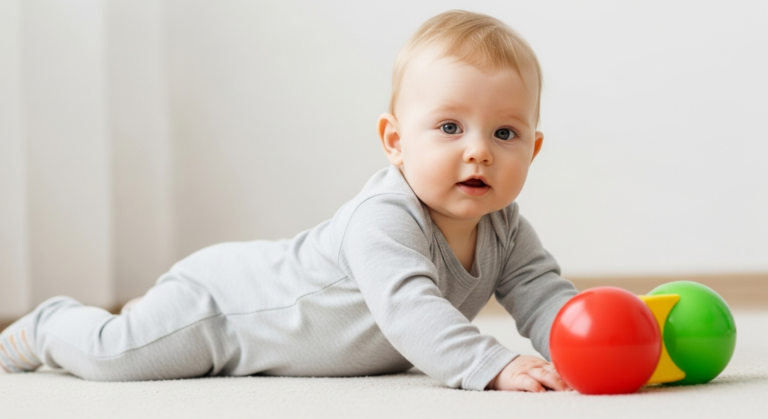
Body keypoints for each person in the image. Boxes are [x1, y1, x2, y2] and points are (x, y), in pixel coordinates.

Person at [0, 10, 577, 392]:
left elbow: (543, 294)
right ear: (396, 143)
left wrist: (588, 347)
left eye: (505, 134)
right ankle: (49, 325)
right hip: (225, 307)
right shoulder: (384, 217)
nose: (479, 152)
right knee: (117, 357)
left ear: (535, 147)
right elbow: (408, 309)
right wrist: (490, 364)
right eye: (450, 127)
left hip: (260, 325)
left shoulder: (506, 228)